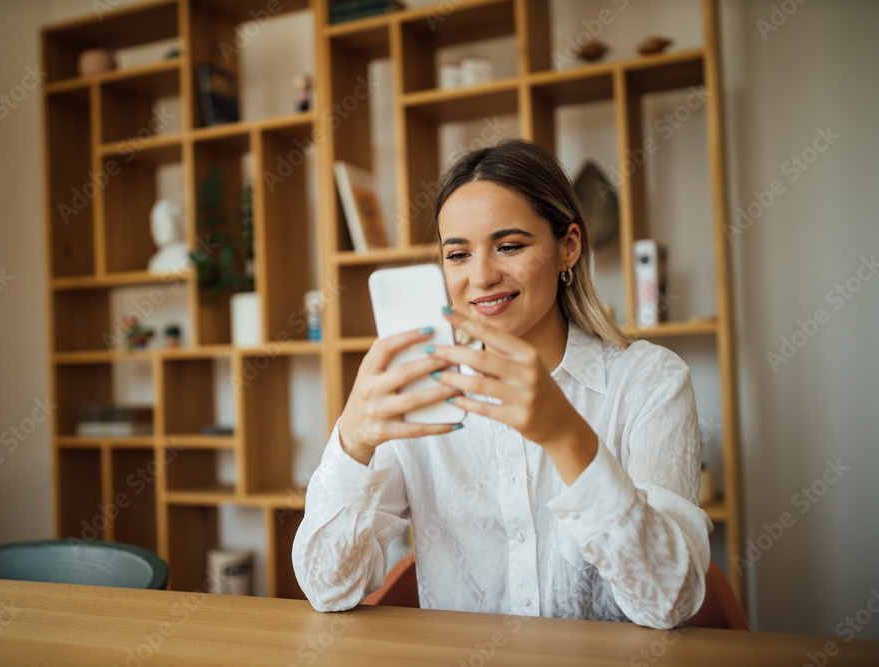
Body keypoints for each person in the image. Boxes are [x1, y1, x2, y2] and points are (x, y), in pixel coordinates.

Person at [292, 139, 712, 629]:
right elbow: (327, 588)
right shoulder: (425, 393)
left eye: (509, 246)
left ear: (568, 246)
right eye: (458, 254)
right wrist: (352, 441)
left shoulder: (650, 382)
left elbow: (667, 601)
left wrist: (566, 437)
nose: (482, 276)